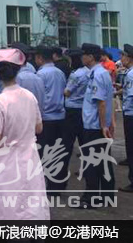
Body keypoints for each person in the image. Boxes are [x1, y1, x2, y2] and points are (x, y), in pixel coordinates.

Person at [0, 48, 50, 220]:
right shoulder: (29, 96)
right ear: (18, 70)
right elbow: (39, 128)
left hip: (6, 161)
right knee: (30, 202)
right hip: (29, 157)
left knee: (8, 204)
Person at [78, 43, 115, 208]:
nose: (81, 58)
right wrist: (109, 123)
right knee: (103, 162)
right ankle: (107, 196)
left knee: (92, 164)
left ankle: (90, 198)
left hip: (94, 126)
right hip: (99, 125)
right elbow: (108, 99)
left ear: (90, 57)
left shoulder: (97, 75)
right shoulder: (102, 73)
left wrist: (103, 125)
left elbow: (101, 103)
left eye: (83, 55)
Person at [35, 45, 67, 193]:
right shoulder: (60, 72)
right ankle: (57, 185)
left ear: (40, 58)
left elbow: (39, 97)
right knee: (57, 151)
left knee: (44, 152)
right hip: (60, 116)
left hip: (46, 118)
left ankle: (45, 185)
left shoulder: (40, 74)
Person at [60, 49, 90, 189]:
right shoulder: (88, 72)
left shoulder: (76, 74)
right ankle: (87, 170)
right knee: (84, 142)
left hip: (72, 110)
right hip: (84, 108)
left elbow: (67, 92)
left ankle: (61, 176)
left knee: (67, 143)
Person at [119, 44, 133, 192]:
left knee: (131, 148)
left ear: (129, 58)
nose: (121, 58)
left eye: (123, 55)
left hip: (131, 114)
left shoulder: (130, 74)